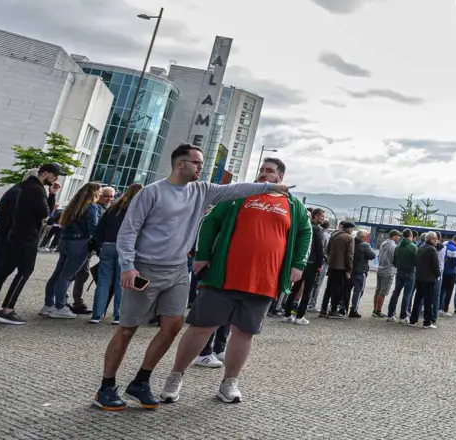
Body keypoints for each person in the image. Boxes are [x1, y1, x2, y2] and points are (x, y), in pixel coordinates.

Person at [93, 144, 290, 411]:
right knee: (127, 328)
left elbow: (237, 189)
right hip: (145, 269)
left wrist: (270, 188)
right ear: (179, 164)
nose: (201, 167)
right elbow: (128, 232)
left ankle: (141, 380)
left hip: (177, 271)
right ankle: (106, 386)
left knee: (172, 328)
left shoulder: (202, 190)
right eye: (197, 163)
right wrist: (128, 266)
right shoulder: (151, 193)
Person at [159, 156, 309, 405]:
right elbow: (210, 222)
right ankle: (175, 376)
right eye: (261, 170)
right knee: (201, 327)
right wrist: (203, 255)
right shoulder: (240, 195)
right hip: (223, 276)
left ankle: (229, 382)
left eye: (269, 171)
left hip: (265, 281)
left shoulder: (293, 206)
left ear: (280, 177)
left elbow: (305, 232)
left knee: (245, 333)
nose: (263, 174)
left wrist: (298, 264)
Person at [0, 163, 65, 325]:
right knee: (17, 270)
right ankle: (4, 309)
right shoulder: (33, 189)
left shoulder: (22, 188)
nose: (56, 178)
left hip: (11, 235)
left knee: (1, 269)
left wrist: (51, 195)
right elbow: (44, 213)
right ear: (45, 174)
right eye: (55, 175)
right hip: (19, 236)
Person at [41, 182, 101, 318]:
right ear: (94, 192)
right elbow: (93, 227)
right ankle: (60, 306)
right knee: (67, 276)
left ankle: (48, 304)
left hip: (66, 241)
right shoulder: (91, 207)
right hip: (79, 242)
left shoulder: (73, 206)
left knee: (57, 274)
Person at [90, 184, 144, 325]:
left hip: (107, 246)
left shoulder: (113, 208)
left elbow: (100, 228)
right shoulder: (138, 209)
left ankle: (96, 314)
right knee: (122, 283)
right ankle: (118, 315)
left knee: (103, 282)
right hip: (126, 248)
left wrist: (98, 245)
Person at [69, 186, 115, 315]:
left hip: (94, 245)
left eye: (111, 196)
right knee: (77, 273)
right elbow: (94, 228)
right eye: (106, 196)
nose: (109, 199)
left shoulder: (108, 208)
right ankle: (70, 301)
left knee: (81, 273)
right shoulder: (94, 207)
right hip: (89, 244)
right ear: (99, 195)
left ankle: (75, 301)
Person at [283, 208, 325, 325]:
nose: (323, 218)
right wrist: (320, 263)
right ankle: (300, 316)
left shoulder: (302, 227)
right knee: (307, 291)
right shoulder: (317, 230)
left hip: (300, 261)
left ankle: (287, 314)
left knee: (294, 288)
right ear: (315, 216)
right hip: (311, 263)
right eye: (321, 216)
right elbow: (319, 248)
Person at [409, 231, 440, 328]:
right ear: (431, 239)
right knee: (428, 301)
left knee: (417, 299)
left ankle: (413, 320)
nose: (437, 241)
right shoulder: (432, 250)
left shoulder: (420, 247)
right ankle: (427, 322)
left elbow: (415, 262)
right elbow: (435, 265)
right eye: (435, 239)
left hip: (419, 277)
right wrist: (437, 275)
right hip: (429, 279)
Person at [385, 229, 417, 322]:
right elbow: (416, 261)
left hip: (400, 271)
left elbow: (394, 262)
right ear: (410, 236)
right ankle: (403, 316)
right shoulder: (413, 247)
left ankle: (390, 314)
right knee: (407, 294)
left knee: (396, 293)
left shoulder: (398, 247)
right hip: (410, 272)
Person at [347, 230, 377, 318]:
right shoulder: (365, 245)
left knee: (347, 290)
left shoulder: (351, 242)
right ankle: (353, 310)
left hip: (350, 270)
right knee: (358, 291)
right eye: (366, 236)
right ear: (363, 237)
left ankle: (342, 307)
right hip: (360, 271)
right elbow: (373, 256)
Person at [372, 229, 399, 318]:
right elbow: (394, 260)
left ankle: (374, 309)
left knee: (378, 290)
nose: (399, 238)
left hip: (380, 269)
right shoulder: (394, 246)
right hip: (388, 270)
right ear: (394, 236)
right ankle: (378, 311)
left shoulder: (383, 243)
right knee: (383, 292)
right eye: (398, 236)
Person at [439, 235, 456, 313]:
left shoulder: (444, 246)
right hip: (451, 273)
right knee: (448, 292)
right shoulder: (454, 249)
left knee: (441, 291)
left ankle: (439, 308)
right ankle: (445, 309)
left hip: (442, 272)